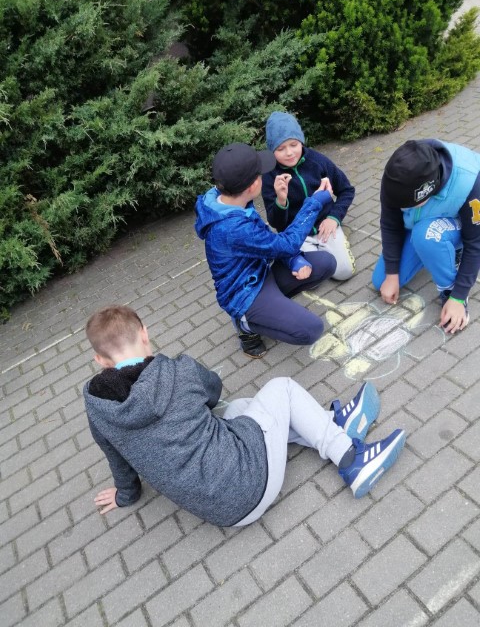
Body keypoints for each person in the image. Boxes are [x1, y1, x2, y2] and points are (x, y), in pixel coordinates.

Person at [84, 305, 407, 525]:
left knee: (238, 410)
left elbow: (116, 458)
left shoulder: (98, 405)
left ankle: (332, 425)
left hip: (221, 514)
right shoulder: (178, 371)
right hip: (250, 482)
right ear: (144, 334)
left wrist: (126, 495)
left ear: (101, 361)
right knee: (282, 388)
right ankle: (352, 460)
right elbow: (213, 391)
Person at [195, 142, 337, 359]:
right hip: (245, 293)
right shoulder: (232, 227)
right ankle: (246, 325)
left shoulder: (224, 198)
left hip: (260, 272)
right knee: (311, 330)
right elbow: (286, 244)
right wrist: (316, 201)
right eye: (260, 174)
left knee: (326, 263)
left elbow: (268, 242)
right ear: (252, 185)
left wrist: (293, 260)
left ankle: (272, 309)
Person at [372, 139, 480, 334]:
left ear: (429, 190)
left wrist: (458, 296)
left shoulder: (471, 181)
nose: (402, 208)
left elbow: (476, 243)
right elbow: (390, 224)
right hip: (422, 224)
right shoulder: (397, 177)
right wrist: (391, 274)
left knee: (427, 235)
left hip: (462, 225)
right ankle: (434, 251)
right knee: (381, 281)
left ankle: (449, 287)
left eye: (408, 204)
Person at [262, 111, 356, 281]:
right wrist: (281, 201)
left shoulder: (317, 160)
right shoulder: (270, 176)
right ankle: (297, 256)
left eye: (293, 144)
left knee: (344, 272)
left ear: (301, 141)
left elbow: (347, 190)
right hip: (298, 235)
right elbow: (276, 223)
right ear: (271, 150)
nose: (289, 153)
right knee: (311, 277)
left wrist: (334, 218)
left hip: (324, 226)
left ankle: (336, 239)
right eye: (280, 148)